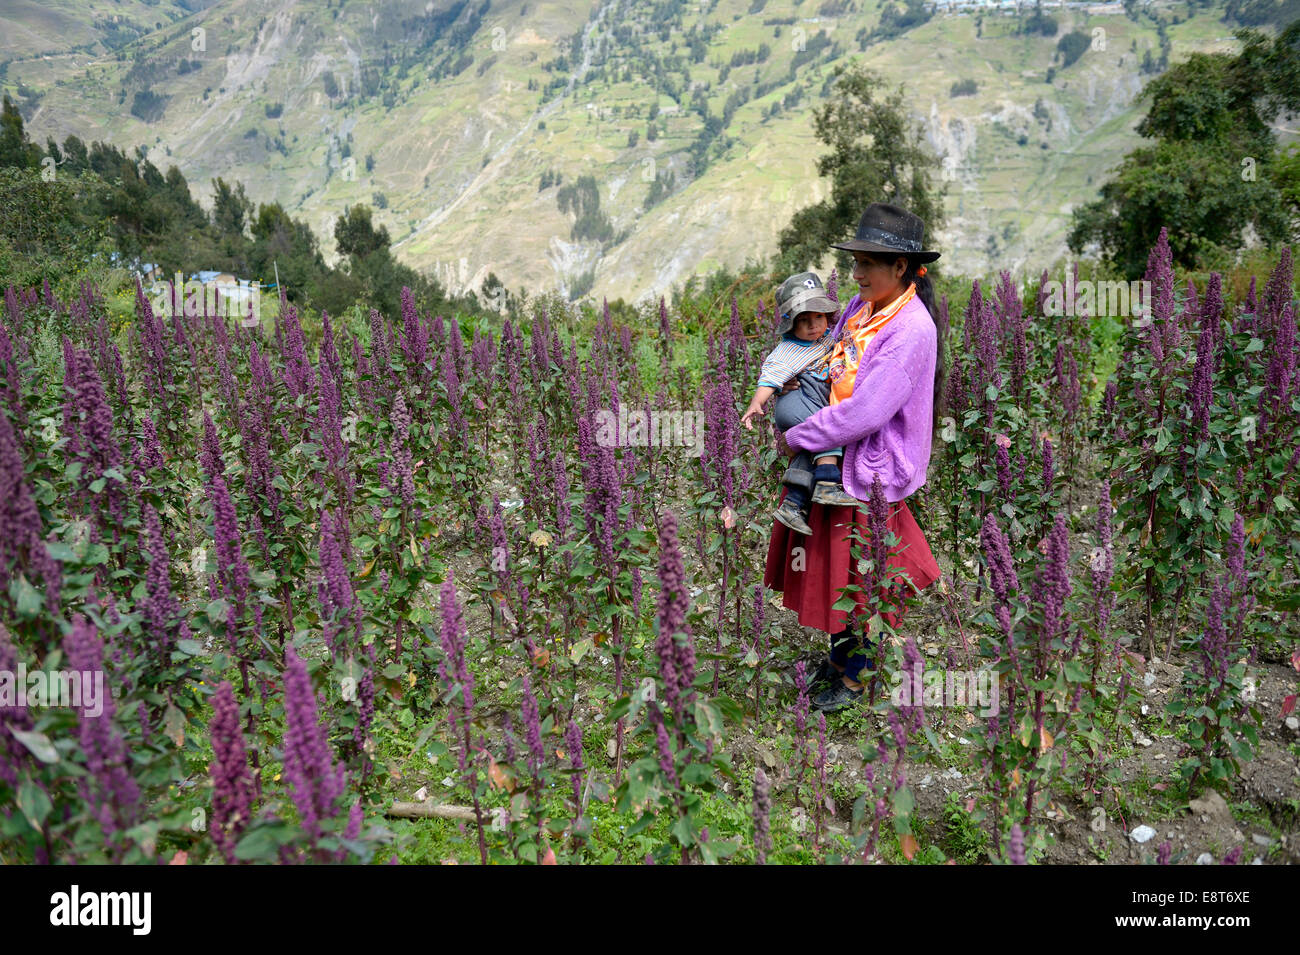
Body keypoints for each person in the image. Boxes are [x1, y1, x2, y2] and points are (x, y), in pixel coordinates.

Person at [763, 202, 945, 712]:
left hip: (870, 467)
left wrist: (803, 432)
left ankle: (859, 676)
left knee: (863, 575)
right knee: (837, 571)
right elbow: (832, 355)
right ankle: (841, 659)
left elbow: (867, 411)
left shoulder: (911, 330)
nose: (857, 272)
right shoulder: (860, 309)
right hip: (839, 456)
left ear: (901, 269)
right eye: (856, 261)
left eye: (868, 263)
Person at [741, 271, 858, 536]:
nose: (813, 325)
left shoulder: (823, 340)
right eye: (803, 321)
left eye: (819, 317)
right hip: (795, 404)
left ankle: (793, 504)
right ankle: (828, 485)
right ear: (790, 325)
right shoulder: (789, 349)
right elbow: (770, 376)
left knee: (807, 451)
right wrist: (757, 403)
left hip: (805, 402)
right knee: (827, 429)